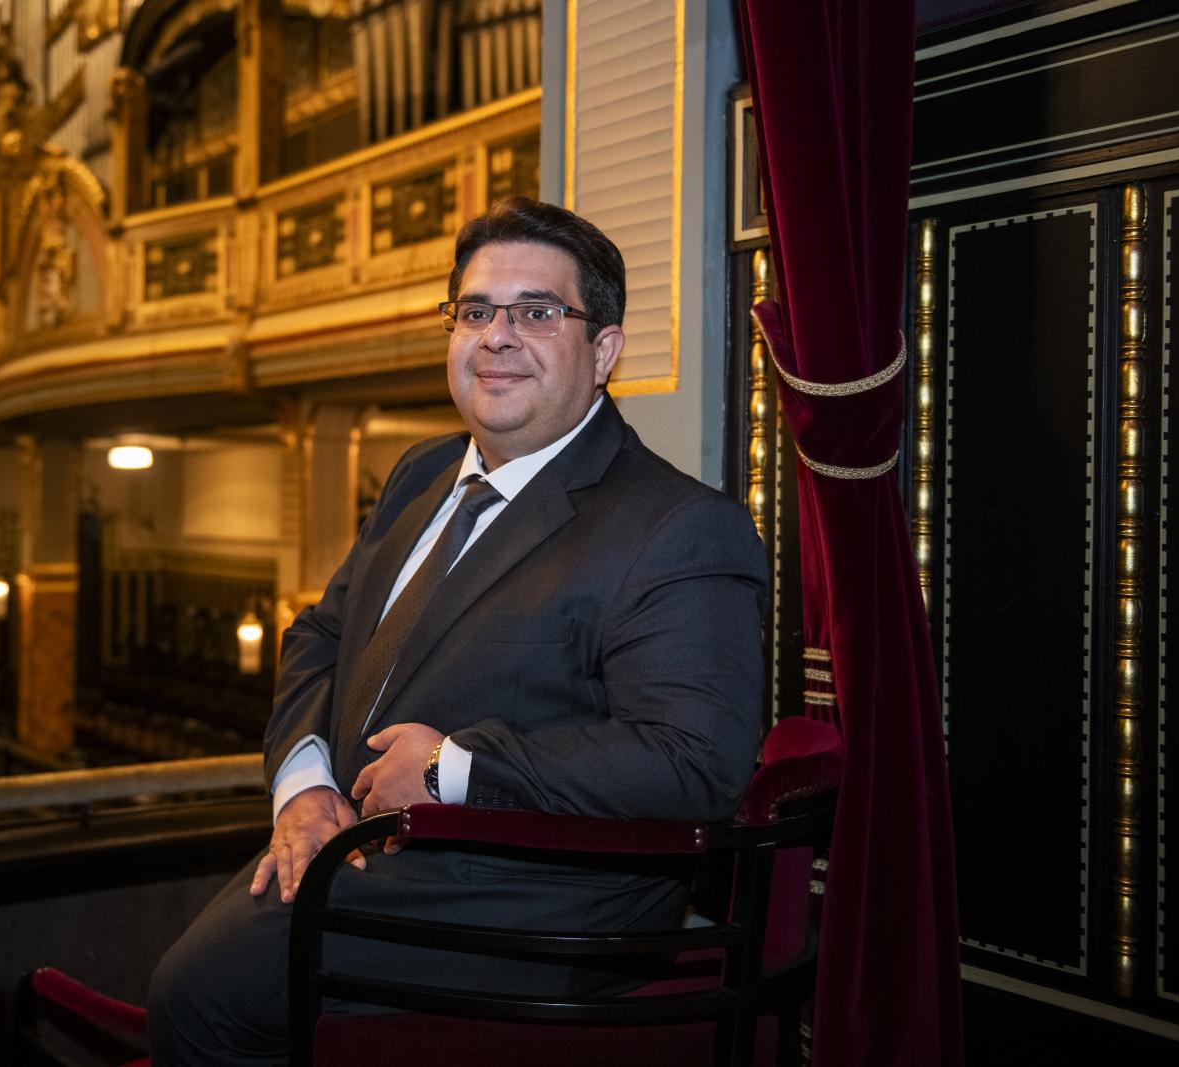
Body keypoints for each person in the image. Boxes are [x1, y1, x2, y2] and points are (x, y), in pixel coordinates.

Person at [147, 197, 769, 1065]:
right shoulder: (423, 471)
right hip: (358, 845)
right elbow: (321, 634)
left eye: (537, 313)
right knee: (195, 978)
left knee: (200, 995)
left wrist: (453, 767)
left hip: (529, 896)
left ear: (604, 351)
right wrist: (304, 786)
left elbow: (693, 760)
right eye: (475, 311)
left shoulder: (678, 525)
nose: (496, 336)